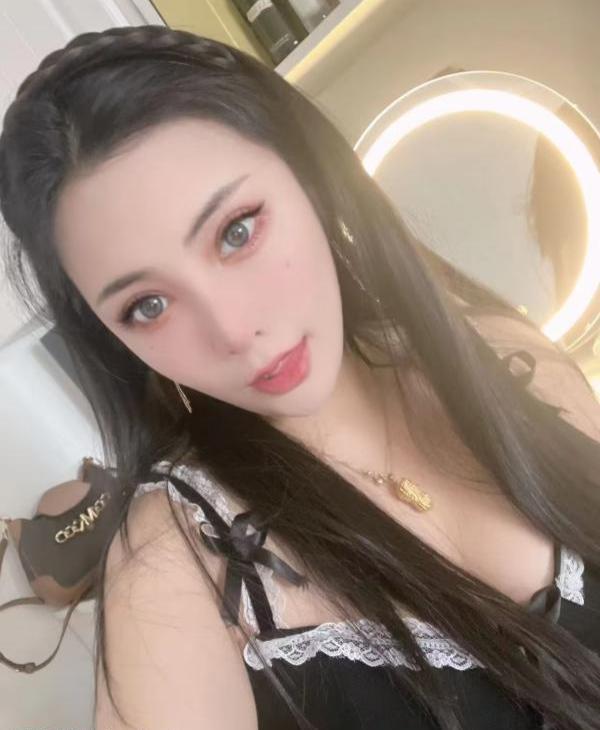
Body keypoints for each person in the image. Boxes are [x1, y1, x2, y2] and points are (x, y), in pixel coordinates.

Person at [1, 24, 599, 730]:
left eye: (236, 231)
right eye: (148, 306)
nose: (233, 331)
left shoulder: (510, 355)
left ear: (308, 172)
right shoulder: (172, 573)